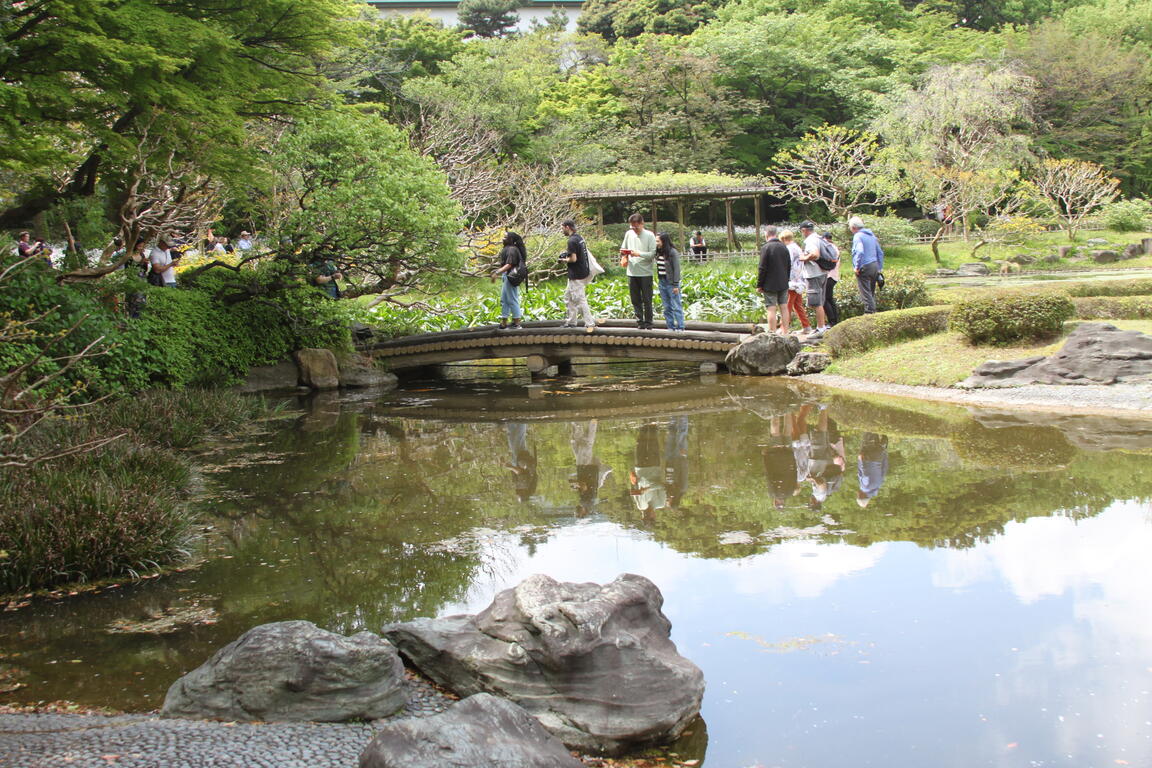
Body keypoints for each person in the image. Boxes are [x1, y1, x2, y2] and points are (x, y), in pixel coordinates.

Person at [619, 213, 657, 329]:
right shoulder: (628, 234)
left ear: (642, 224)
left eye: (636, 227)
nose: (634, 229)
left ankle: (649, 323)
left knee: (647, 299)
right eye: (632, 227)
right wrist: (624, 256)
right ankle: (640, 322)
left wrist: (638, 254)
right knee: (635, 299)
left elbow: (652, 254)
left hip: (645, 273)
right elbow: (623, 249)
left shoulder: (650, 235)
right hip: (631, 272)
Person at [559, 220, 597, 333]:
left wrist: (563, 260)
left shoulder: (571, 241)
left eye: (562, 228)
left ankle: (590, 323)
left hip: (576, 274)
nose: (562, 230)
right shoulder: (579, 238)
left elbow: (573, 259)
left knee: (579, 299)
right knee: (568, 297)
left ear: (567, 227)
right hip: (582, 271)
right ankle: (571, 322)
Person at [755, 225, 791, 334]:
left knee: (771, 308)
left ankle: (772, 332)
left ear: (766, 234)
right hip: (783, 282)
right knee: (784, 307)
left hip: (770, 284)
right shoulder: (784, 247)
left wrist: (759, 284)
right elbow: (789, 265)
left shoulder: (766, 248)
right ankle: (785, 332)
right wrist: (786, 279)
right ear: (776, 233)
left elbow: (762, 268)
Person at [798, 221, 829, 336]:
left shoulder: (810, 240)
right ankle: (822, 327)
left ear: (804, 230)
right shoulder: (819, 237)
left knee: (817, 303)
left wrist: (804, 258)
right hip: (823, 272)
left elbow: (815, 254)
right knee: (820, 301)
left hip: (814, 274)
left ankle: (820, 328)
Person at [630, 423, 666, 521]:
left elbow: (634, 489)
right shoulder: (660, 503)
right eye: (647, 517)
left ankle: (643, 423)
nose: (645, 515)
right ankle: (653, 422)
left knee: (639, 443)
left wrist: (632, 483)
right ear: (654, 516)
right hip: (653, 466)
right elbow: (662, 486)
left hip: (640, 469)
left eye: (644, 517)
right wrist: (647, 489)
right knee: (653, 442)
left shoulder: (640, 506)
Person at [779, 229, 812, 334]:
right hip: (800, 280)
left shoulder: (789, 249)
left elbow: (788, 264)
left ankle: (784, 327)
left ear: (784, 239)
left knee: (786, 304)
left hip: (792, 281)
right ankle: (806, 326)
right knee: (797, 304)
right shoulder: (797, 247)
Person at [492, 231, 527, 329]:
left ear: (511, 239)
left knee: (512, 299)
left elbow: (509, 264)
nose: (503, 239)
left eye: (505, 237)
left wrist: (497, 272)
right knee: (504, 299)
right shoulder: (508, 248)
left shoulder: (512, 249)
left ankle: (517, 322)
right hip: (506, 276)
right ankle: (504, 322)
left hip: (511, 276)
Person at [849, 216, 884, 314]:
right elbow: (880, 252)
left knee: (865, 292)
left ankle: (870, 312)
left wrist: (857, 266)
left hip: (865, 266)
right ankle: (873, 312)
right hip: (874, 265)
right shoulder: (872, 236)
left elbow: (860, 251)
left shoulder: (858, 236)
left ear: (853, 227)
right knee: (871, 291)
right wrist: (880, 267)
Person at [655, 232, 684, 331]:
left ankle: (680, 327)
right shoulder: (658, 252)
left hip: (671, 283)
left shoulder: (672, 252)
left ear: (664, 241)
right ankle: (670, 327)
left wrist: (675, 285)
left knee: (676, 306)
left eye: (658, 241)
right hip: (662, 282)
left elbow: (676, 269)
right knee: (667, 307)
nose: (656, 243)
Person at [856, 432, 889, 507]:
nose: (857, 494)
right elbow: (865, 473)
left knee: (874, 432)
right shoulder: (865, 487)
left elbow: (884, 468)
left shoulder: (878, 486)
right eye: (857, 496)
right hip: (868, 457)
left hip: (878, 456)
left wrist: (884, 452)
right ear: (861, 496)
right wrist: (861, 460)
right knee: (868, 432)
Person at [821, 232, 841, 326]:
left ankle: (832, 321)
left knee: (824, 299)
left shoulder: (830, 248)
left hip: (829, 275)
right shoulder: (834, 247)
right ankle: (834, 320)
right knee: (829, 298)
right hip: (834, 276)